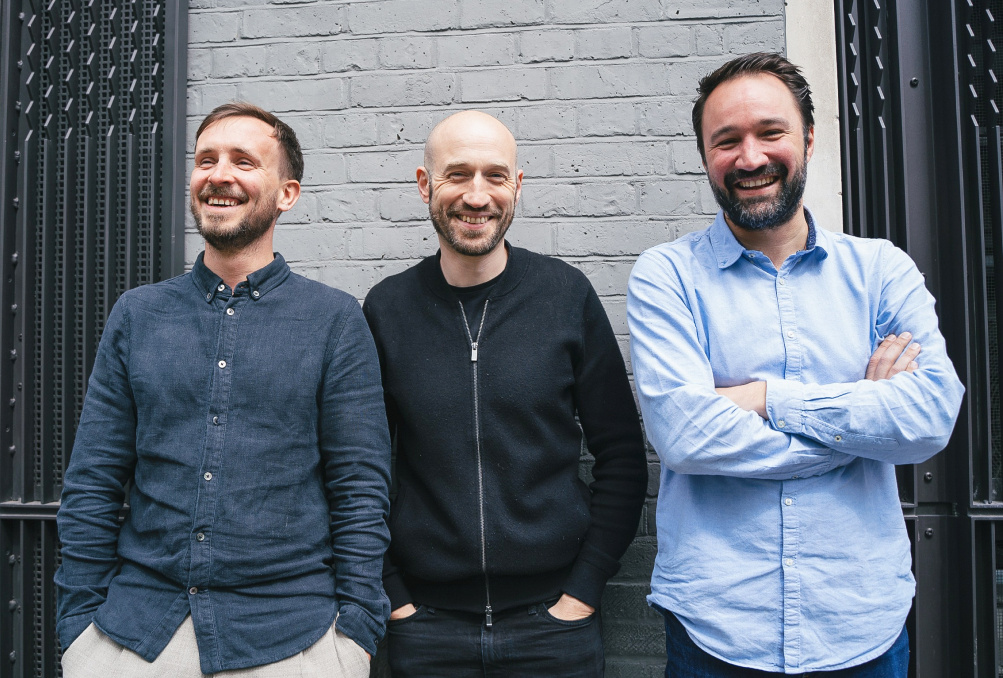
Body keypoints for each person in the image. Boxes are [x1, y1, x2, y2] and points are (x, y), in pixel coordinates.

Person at [627, 53, 965, 676]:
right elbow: (684, 434)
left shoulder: (881, 270)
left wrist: (761, 398)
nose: (750, 158)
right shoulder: (666, 276)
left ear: (809, 137)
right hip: (718, 630)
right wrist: (862, 426)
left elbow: (930, 420)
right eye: (726, 141)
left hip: (860, 626)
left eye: (770, 133)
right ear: (705, 156)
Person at [54, 102, 390, 678]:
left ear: (287, 193)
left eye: (243, 161)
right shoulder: (138, 315)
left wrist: (354, 634)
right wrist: (77, 631)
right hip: (134, 640)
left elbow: (361, 487)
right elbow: (93, 479)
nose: (219, 174)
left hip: (292, 640)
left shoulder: (334, 320)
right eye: (205, 159)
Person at [363, 110, 648, 677]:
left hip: (554, 631)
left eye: (495, 176)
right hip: (428, 631)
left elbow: (622, 456)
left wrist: (583, 593)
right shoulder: (386, 309)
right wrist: (396, 599)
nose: (476, 195)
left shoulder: (565, 296)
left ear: (517, 186)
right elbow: (359, 470)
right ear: (425, 185)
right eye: (456, 175)